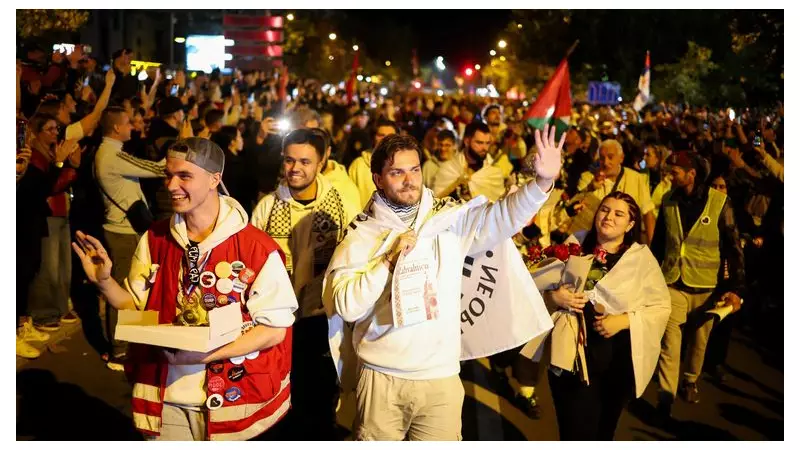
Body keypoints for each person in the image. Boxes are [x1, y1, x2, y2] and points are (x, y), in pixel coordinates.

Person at [324, 125, 563, 441]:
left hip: (441, 379)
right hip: (383, 377)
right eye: (397, 173)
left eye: (414, 170)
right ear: (378, 179)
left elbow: (502, 218)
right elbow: (347, 307)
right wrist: (386, 264)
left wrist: (542, 182)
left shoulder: (448, 219)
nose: (410, 180)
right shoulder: (360, 236)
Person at [72, 138, 298, 440]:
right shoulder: (155, 239)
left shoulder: (256, 247)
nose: (171, 185)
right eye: (168, 175)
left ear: (215, 179)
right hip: (167, 396)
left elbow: (274, 330)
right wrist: (105, 282)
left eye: (184, 176)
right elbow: (137, 311)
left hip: (232, 397)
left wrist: (204, 355)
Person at [251, 128, 360, 439]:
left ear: (322, 161)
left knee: (321, 396)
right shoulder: (266, 207)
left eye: (304, 162)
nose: (295, 168)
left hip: (321, 319)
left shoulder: (341, 201)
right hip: (276, 320)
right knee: (280, 394)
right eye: (289, 160)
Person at [542, 192, 670, 440]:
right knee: (574, 431)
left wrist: (623, 320)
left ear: (631, 224)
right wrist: (554, 298)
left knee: (602, 433)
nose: (609, 217)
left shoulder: (640, 259)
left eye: (618, 214)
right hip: (571, 357)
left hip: (615, 363)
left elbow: (660, 306)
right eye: (604, 210)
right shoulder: (574, 245)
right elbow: (541, 289)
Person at [651, 151, 745, 419]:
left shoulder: (720, 202)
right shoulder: (668, 201)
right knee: (671, 342)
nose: (670, 175)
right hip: (674, 284)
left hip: (706, 287)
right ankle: (665, 396)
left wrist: (736, 287)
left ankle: (690, 379)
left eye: (675, 172)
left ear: (691, 174)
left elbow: (733, 246)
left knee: (699, 341)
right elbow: (659, 243)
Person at [95, 106, 168, 370]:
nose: (133, 127)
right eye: (129, 123)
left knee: (135, 287)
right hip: (122, 232)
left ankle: (136, 343)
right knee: (124, 290)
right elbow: (156, 168)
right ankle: (120, 351)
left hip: (124, 229)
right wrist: (178, 151)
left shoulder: (110, 153)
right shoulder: (111, 155)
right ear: (116, 128)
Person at [16, 116, 81, 357]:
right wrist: (60, 164)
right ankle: (16, 331)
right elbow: (39, 189)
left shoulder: (40, 154)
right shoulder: (32, 157)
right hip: (23, 223)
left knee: (28, 273)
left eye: (57, 128)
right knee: (22, 276)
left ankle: (23, 325)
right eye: (49, 128)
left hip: (33, 221)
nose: (55, 133)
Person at [575, 140, 656, 243]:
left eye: (610, 157)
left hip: (626, 244)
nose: (605, 162)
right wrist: (591, 188)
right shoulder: (587, 178)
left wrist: (651, 246)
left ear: (621, 158)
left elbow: (648, 213)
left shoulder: (636, 179)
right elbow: (576, 207)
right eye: (602, 158)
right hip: (593, 241)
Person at [432, 122, 507, 201]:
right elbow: (436, 202)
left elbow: (498, 204)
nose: (484, 148)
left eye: (487, 143)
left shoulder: (493, 172)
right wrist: (455, 184)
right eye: (479, 142)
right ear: (467, 141)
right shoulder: (449, 168)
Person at [348, 119, 398, 208]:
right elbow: (350, 201)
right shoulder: (358, 166)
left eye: (390, 136)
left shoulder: (404, 165)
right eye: (381, 135)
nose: (386, 139)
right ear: (373, 137)